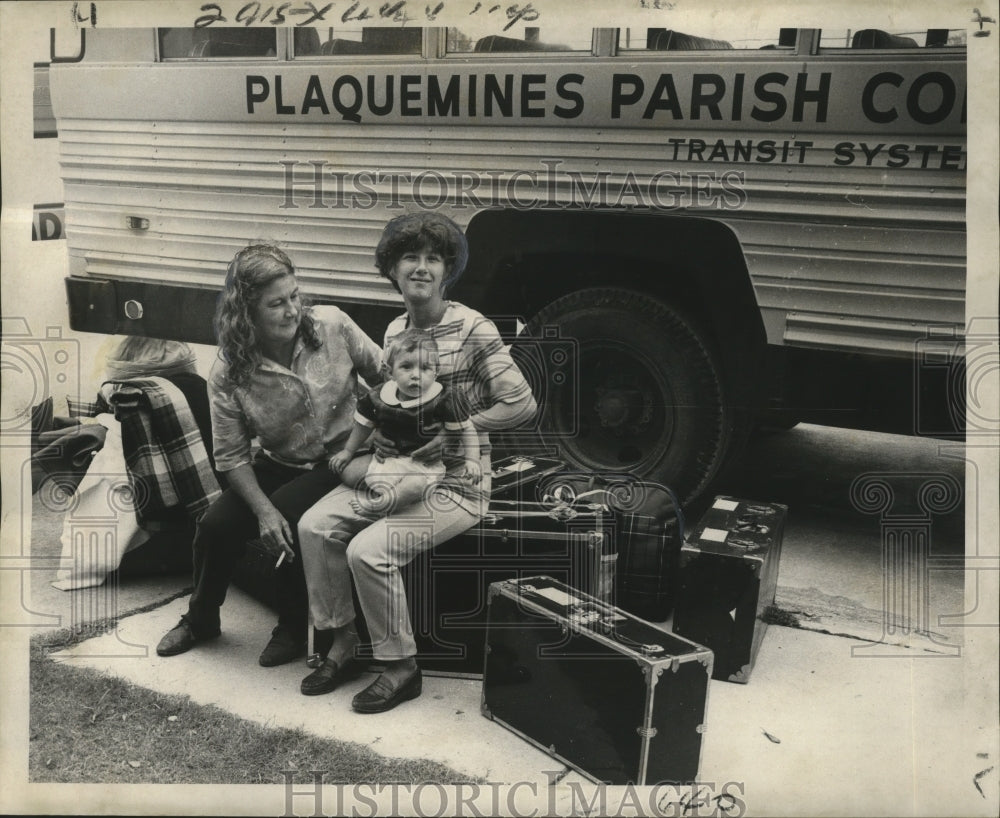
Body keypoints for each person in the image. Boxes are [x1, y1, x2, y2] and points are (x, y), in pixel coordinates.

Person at [297, 212, 536, 709]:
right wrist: (378, 437)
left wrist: (461, 431)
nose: (421, 268)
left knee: (369, 551)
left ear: (447, 270)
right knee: (314, 527)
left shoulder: (473, 327)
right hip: (395, 475)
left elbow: (522, 403)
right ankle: (343, 644)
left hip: (456, 484)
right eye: (411, 257)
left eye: (433, 258)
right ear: (392, 268)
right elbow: (389, 401)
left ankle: (401, 667)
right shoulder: (393, 330)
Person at [156, 244, 382, 666]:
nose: (293, 310)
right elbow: (231, 457)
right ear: (247, 313)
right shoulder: (229, 369)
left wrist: (385, 437)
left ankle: (293, 626)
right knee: (215, 526)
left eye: (295, 296)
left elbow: (388, 380)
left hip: (343, 459)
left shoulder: (333, 325)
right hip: (279, 463)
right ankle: (201, 618)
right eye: (276, 303)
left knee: (289, 515)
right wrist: (260, 511)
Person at [329, 327, 481, 518]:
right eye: (406, 367)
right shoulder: (379, 395)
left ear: (436, 372)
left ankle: (382, 504)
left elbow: (467, 429)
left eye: (425, 368)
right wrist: (348, 451)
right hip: (386, 460)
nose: (415, 375)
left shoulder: (445, 397)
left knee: (414, 485)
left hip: (421, 466)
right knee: (348, 471)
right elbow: (363, 424)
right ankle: (390, 491)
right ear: (390, 371)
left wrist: (472, 460)